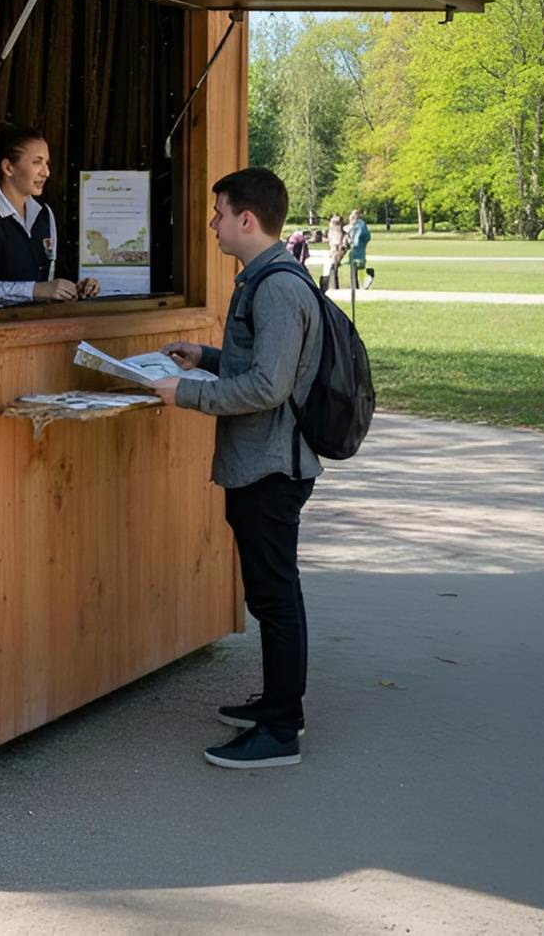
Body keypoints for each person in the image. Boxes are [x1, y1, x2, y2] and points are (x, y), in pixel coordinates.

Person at [149, 167, 322, 770]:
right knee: (272, 593)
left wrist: (186, 393)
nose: (214, 225)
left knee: (275, 597)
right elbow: (260, 364)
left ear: (248, 220)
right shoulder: (268, 278)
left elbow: (270, 386)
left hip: (271, 467)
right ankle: (277, 703)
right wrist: (206, 357)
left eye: (220, 213)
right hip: (263, 463)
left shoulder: (275, 286)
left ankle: (281, 730)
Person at [0, 123, 99, 307]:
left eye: (46, 163)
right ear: (8, 168)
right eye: (37, 162)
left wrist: (75, 288)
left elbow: (50, 276)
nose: (46, 172)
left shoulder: (44, 214)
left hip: (39, 327)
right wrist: (34, 291)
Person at [347, 209, 375, 289]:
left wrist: (353, 243)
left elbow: (359, 237)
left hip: (356, 248)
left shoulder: (360, 225)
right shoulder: (356, 225)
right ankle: (356, 285)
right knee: (356, 266)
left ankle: (367, 276)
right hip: (356, 248)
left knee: (357, 265)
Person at [321, 213, 347, 291]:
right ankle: (332, 285)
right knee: (333, 268)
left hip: (336, 249)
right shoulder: (333, 231)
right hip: (334, 250)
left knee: (333, 267)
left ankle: (332, 285)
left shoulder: (336, 231)